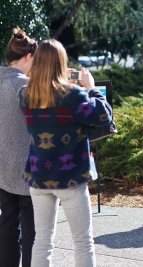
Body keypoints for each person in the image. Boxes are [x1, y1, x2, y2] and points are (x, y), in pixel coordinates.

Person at [18, 39, 112, 267]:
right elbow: (104, 116)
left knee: (42, 241)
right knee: (82, 242)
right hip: (70, 179)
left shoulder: (25, 95)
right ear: (62, 64)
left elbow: (45, 93)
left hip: (38, 177)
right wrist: (90, 87)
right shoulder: (74, 95)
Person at [0, 27, 38, 267]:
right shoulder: (26, 88)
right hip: (28, 171)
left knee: (7, 227)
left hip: (2, 171)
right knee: (33, 234)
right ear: (27, 57)